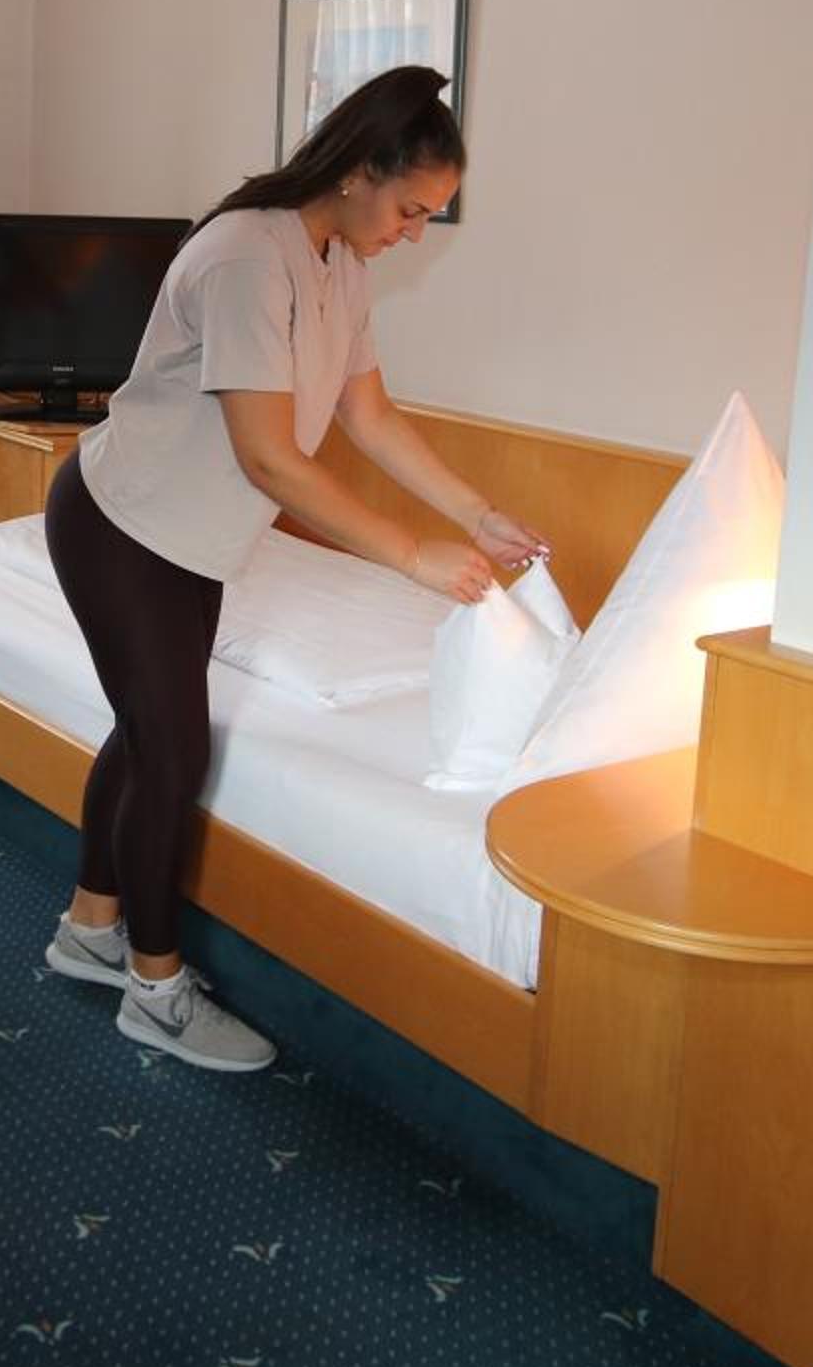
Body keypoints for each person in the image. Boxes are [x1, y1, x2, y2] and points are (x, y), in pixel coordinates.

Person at [40, 65, 549, 1072]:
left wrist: (477, 514)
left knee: (148, 735)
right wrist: (412, 555)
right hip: (123, 526)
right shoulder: (247, 256)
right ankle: (154, 989)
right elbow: (269, 458)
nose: (415, 233)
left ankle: (89, 928)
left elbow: (371, 415)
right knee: (173, 751)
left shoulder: (340, 261)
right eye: (411, 209)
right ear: (361, 172)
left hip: (191, 541)